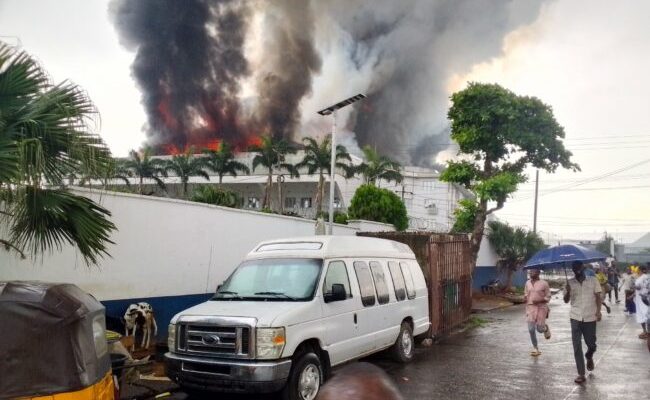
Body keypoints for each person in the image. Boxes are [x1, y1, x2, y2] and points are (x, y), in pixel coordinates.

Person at [564, 260, 602, 384]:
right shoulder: (569, 282)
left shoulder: (593, 280)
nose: (576, 271)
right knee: (576, 346)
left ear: (583, 268)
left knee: (591, 343)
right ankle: (581, 373)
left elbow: (598, 296)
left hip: (590, 317)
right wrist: (568, 291)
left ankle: (589, 355)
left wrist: (599, 311)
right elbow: (565, 300)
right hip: (575, 317)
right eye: (574, 269)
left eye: (578, 268)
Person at [524, 268, 551, 356]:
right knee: (531, 329)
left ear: (538, 273)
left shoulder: (544, 283)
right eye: (530, 271)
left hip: (541, 308)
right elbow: (526, 293)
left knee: (539, 329)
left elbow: (548, 296)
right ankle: (535, 348)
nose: (531, 273)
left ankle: (545, 328)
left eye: (533, 271)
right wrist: (525, 297)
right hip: (530, 308)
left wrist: (540, 300)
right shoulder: (527, 283)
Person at [636, 263, 650, 352]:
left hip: (642, 300)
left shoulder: (641, 278)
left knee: (642, 316)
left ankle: (645, 332)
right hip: (647, 300)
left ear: (640, 270)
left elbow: (638, 287)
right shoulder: (648, 277)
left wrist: (633, 286)